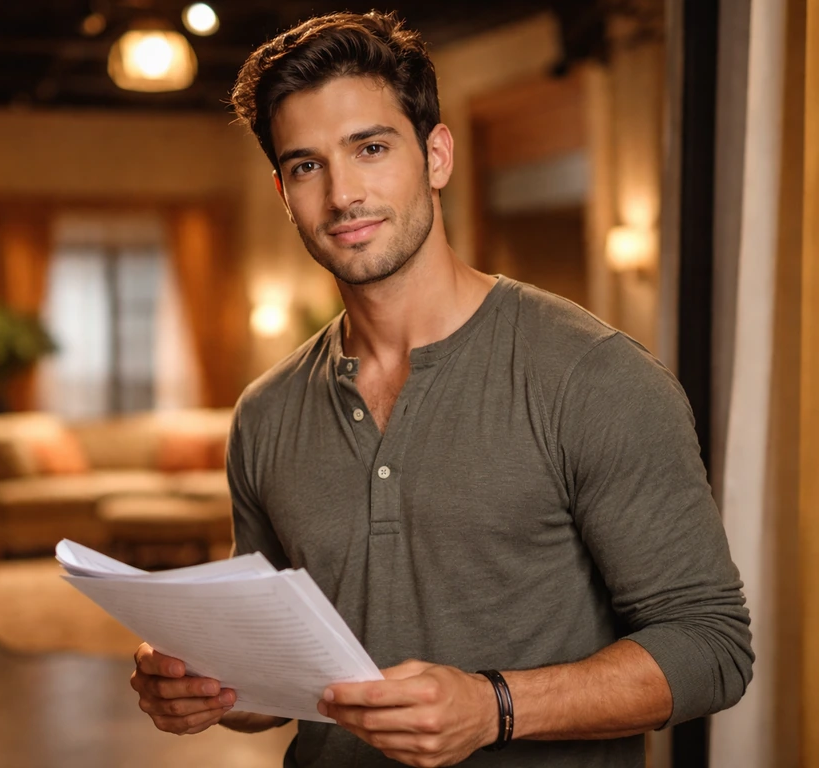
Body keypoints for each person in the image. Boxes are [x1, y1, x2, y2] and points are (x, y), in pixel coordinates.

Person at [130, 10, 753, 767]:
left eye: (370, 148)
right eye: (306, 165)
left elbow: (711, 646)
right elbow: (284, 678)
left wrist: (493, 708)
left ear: (435, 154)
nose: (342, 195)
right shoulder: (265, 414)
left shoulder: (595, 376)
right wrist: (212, 687)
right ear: (282, 189)